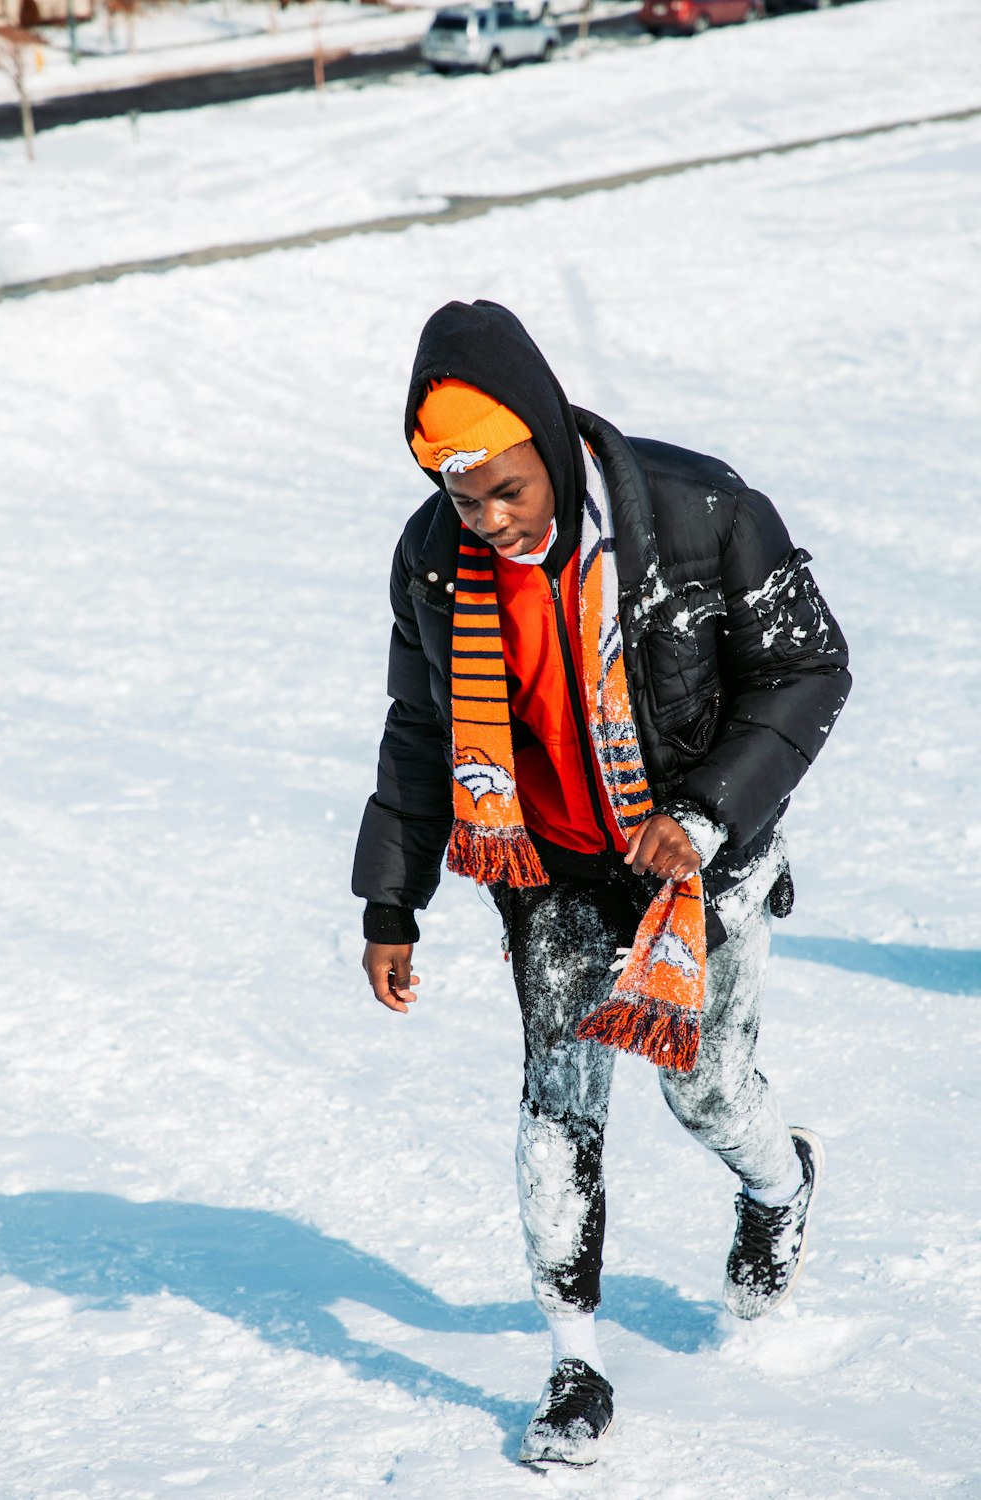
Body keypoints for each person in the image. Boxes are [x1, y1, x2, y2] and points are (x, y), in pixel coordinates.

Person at [352, 300, 851, 1467]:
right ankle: (575, 1362)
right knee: (556, 1119)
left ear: (542, 434)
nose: (487, 521)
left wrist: (704, 811)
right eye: (462, 497)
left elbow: (805, 671)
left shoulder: (698, 512)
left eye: (506, 491)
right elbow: (421, 731)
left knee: (707, 1097)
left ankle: (781, 1185)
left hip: (699, 869)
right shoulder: (435, 558)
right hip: (553, 874)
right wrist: (391, 900)